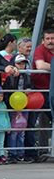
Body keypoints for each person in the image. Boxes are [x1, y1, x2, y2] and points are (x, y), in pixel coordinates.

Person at [3, 54, 32, 163]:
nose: (21, 65)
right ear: (13, 64)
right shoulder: (10, 77)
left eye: (23, 63)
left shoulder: (28, 76)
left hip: (25, 106)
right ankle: (12, 153)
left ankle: (20, 153)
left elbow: (31, 86)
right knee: (13, 131)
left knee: (22, 131)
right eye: (19, 63)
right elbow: (7, 92)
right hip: (13, 107)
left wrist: (29, 90)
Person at [31, 27, 54, 158]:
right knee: (41, 121)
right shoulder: (40, 50)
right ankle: (42, 150)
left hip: (51, 90)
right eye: (48, 39)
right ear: (43, 40)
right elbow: (40, 65)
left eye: (52, 38)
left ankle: (45, 149)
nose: (50, 41)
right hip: (40, 91)